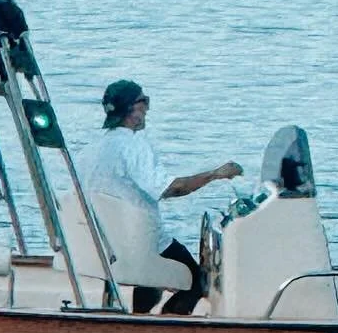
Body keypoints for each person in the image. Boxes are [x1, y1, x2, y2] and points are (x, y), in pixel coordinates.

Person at [78, 79, 243, 315]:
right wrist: (216, 174)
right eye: (144, 101)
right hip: (139, 242)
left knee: (151, 278)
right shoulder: (134, 146)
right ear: (133, 108)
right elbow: (172, 189)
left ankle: (139, 320)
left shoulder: (89, 150)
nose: (147, 108)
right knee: (197, 281)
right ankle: (168, 326)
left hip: (106, 244)